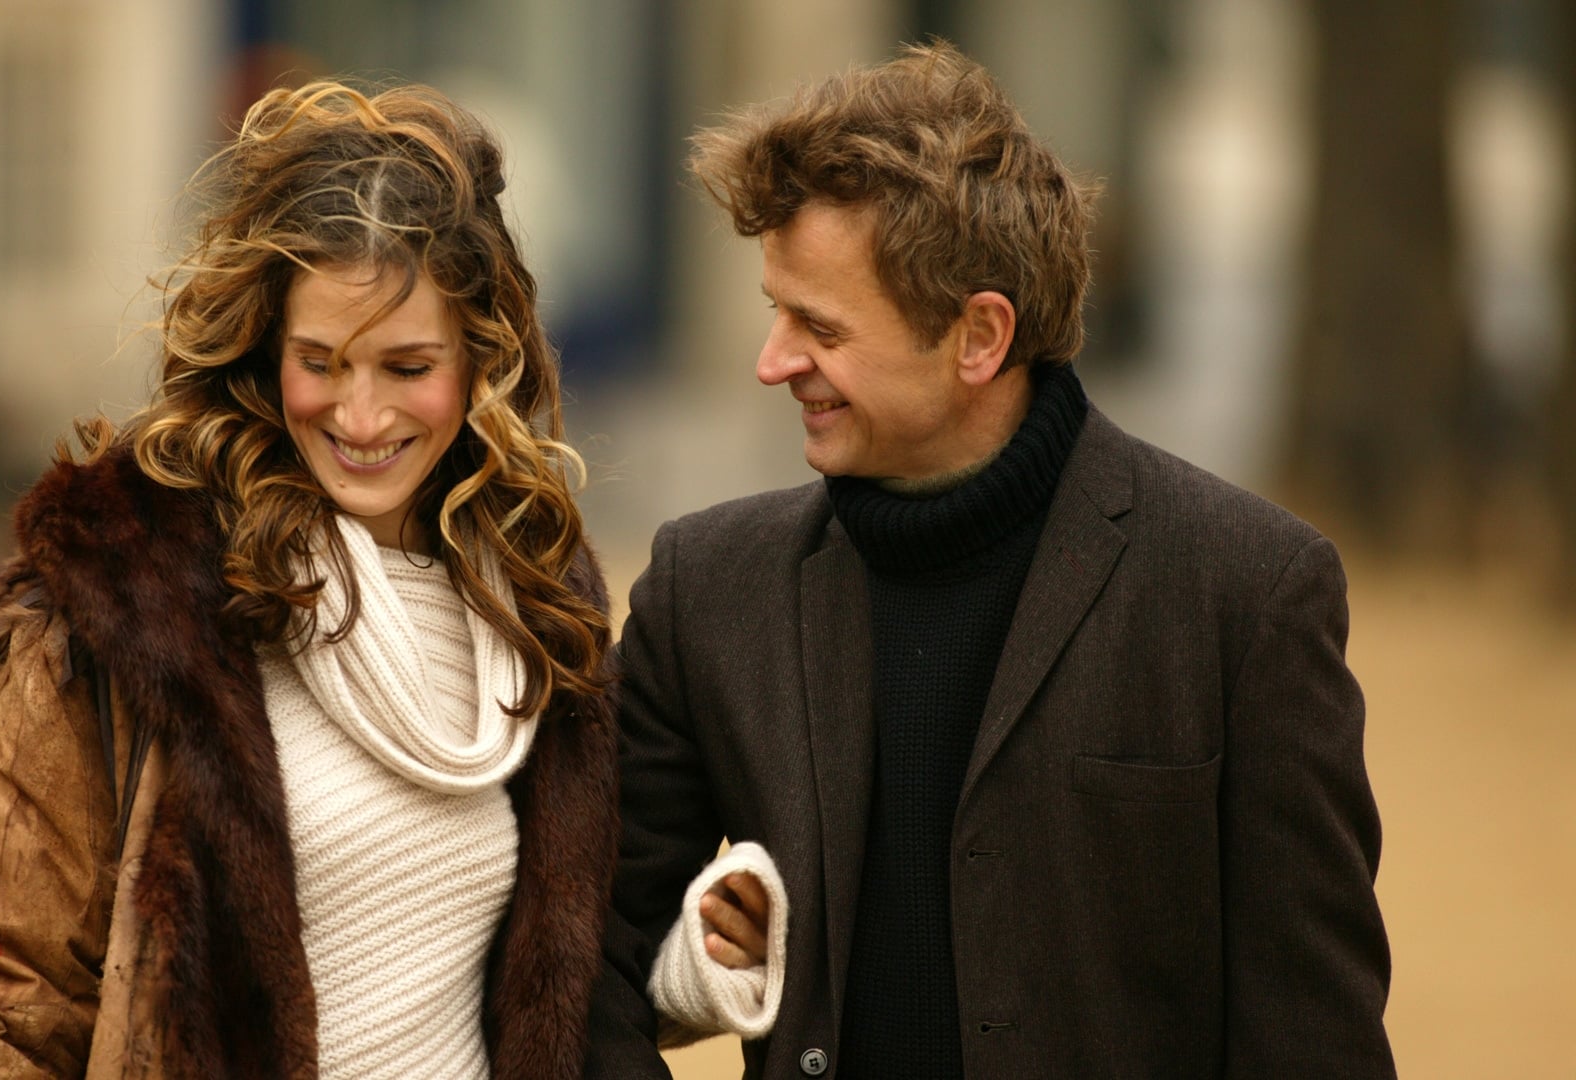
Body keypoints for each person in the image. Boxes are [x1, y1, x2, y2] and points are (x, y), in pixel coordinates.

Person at [586, 39, 1395, 1079]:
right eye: (774, 311)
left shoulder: (1247, 592)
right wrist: (694, 970)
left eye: (819, 326)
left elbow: (1313, 1038)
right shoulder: (705, 590)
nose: (773, 361)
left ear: (979, 336)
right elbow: (580, 956)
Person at [0, 80, 622, 1078]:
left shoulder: (538, 604)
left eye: (408, 367)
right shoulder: (132, 596)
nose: (361, 417)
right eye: (320, 362)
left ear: (480, 359)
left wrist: (701, 969)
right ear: (263, 348)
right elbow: (0, 1005)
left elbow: (563, 967)